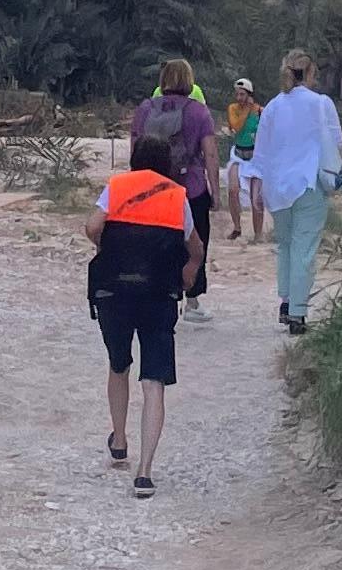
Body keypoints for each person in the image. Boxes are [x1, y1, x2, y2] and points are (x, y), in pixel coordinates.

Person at [89, 133, 198, 491]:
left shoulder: (117, 186)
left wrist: (112, 248)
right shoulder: (177, 196)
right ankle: (145, 471)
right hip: (159, 294)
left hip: (114, 291)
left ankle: (119, 440)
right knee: (154, 382)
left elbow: (93, 226)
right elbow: (194, 247)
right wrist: (187, 276)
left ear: (135, 159)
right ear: (167, 162)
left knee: (118, 364)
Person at [257, 48, 342, 332]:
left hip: (277, 188)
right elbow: (337, 142)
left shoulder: (272, 107)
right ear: (309, 73)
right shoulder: (321, 104)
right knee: (304, 248)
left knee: (285, 246)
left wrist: (259, 189)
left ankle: (286, 301)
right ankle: (297, 311)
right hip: (309, 183)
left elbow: (262, 152)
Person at [132, 55, 219, 308]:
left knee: (154, 239)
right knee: (196, 239)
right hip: (191, 187)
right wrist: (215, 191)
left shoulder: (145, 109)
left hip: (152, 188)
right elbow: (210, 154)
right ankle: (191, 298)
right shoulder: (199, 111)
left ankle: (156, 290)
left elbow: (134, 151)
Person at [223, 78, 265, 241]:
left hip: (255, 157)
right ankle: (237, 227)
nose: (239, 98)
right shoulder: (233, 109)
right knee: (233, 190)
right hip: (239, 155)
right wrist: (247, 110)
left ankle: (258, 234)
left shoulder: (260, 111)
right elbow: (236, 126)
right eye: (237, 94)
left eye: (242, 94)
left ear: (249, 94)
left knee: (256, 198)